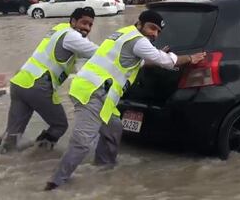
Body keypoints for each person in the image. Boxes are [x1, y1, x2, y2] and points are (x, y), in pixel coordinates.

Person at [44, 10, 206, 191]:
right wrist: (190, 58)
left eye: (158, 32)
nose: (154, 34)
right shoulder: (139, 40)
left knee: (113, 128)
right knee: (82, 142)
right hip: (92, 92)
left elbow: (142, 62)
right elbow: (166, 62)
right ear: (140, 24)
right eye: (152, 28)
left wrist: (157, 55)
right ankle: (55, 184)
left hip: (100, 94)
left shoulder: (124, 33)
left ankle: (104, 169)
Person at [0, 8, 99, 155]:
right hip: (38, 86)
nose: (87, 27)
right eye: (83, 23)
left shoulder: (59, 29)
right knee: (60, 125)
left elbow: (80, 63)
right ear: (73, 21)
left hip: (20, 83)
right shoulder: (72, 36)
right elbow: (99, 53)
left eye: (90, 25)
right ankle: (37, 157)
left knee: (13, 134)